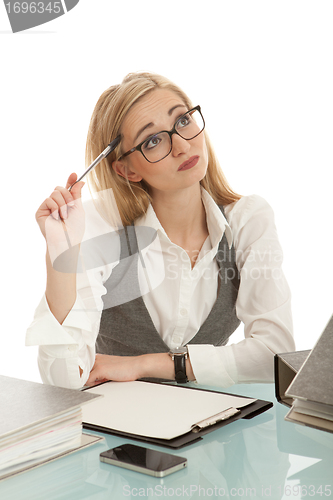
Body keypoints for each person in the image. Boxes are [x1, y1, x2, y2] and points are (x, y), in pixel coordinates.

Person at [26, 72, 295, 390]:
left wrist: (145, 365)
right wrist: (60, 256)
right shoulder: (100, 224)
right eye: (153, 140)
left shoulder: (248, 219)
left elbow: (276, 356)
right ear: (127, 169)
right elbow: (65, 381)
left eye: (182, 121)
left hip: (214, 420)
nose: (182, 145)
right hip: (119, 425)